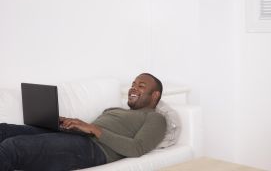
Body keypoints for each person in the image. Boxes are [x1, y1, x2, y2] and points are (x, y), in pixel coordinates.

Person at [0, 73, 166, 171]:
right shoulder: (115, 110)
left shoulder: (155, 118)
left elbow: (136, 148)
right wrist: (68, 124)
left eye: (141, 86)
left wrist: (93, 129)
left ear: (155, 95)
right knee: (4, 131)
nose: (133, 88)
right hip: (77, 137)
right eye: (133, 84)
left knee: (12, 147)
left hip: (94, 150)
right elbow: (91, 130)